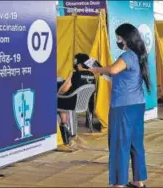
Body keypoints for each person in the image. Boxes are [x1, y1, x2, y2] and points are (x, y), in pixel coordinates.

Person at [90, 23, 149, 188]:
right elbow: (118, 76)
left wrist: (98, 70)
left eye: (118, 37)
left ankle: (119, 183)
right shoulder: (139, 55)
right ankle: (138, 181)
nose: (117, 40)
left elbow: (114, 70)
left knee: (119, 144)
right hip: (137, 105)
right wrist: (105, 73)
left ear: (125, 38)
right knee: (135, 144)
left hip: (123, 106)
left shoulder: (127, 56)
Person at [57, 53, 96, 145]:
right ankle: (68, 132)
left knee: (58, 100)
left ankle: (64, 129)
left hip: (71, 103)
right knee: (63, 101)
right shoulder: (92, 75)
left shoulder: (75, 74)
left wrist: (58, 92)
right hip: (84, 104)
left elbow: (64, 89)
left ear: (79, 64)